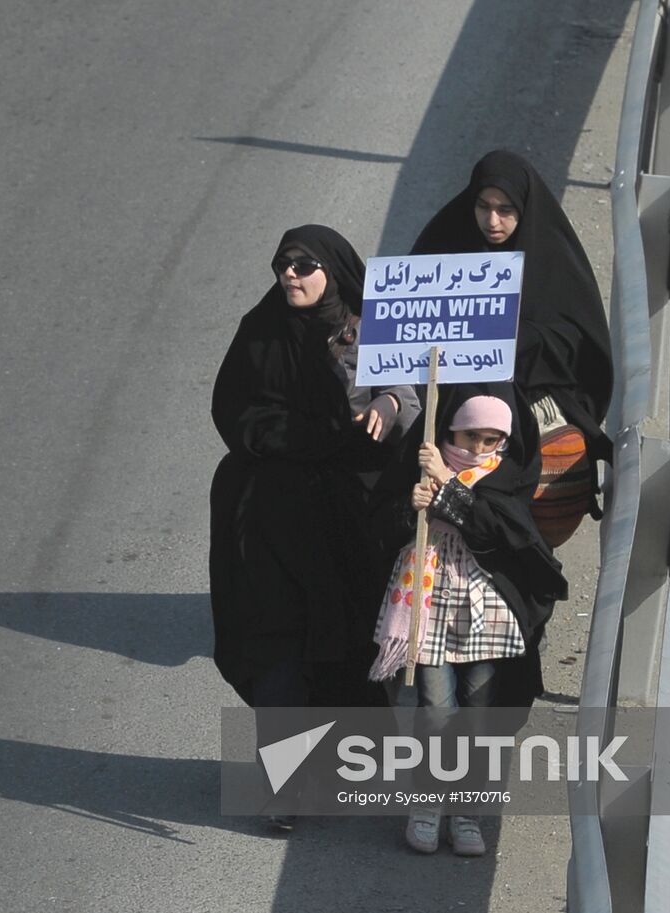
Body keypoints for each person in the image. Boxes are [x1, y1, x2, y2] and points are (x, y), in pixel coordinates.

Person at [209, 225, 420, 830]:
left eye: (304, 265)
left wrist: (387, 406)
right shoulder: (260, 333)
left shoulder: (371, 327)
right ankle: (287, 786)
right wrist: (308, 437)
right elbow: (236, 413)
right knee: (277, 645)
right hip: (268, 517)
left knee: (343, 643)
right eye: (283, 265)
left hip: (351, 520)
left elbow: (410, 394)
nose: (291, 276)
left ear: (333, 269)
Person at [366, 385, 567, 855]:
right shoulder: (419, 468)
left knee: (479, 715)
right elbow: (379, 527)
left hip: (486, 616)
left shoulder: (504, 479)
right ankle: (426, 806)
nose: (477, 448)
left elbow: (495, 530)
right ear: (449, 429)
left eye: (490, 439)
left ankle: (467, 813)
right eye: (469, 435)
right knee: (437, 710)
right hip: (429, 606)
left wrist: (447, 487)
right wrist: (410, 506)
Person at [411, 150, 614, 546]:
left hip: (530, 399)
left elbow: (577, 343)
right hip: (452, 402)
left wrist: (509, 339)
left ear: (524, 209)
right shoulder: (445, 246)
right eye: (483, 207)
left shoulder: (550, 257)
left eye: (506, 210)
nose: (492, 221)